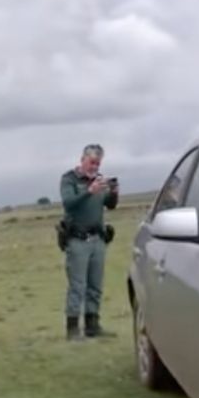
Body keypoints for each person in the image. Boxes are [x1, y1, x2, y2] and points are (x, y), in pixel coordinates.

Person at [59, 144, 119, 340]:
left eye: (98, 163)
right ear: (83, 159)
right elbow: (69, 203)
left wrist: (113, 192)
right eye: (92, 162)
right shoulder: (69, 179)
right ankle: (73, 329)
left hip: (98, 239)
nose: (95, 167)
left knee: (95, 285)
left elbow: (109, 205)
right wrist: (88, 191)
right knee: (77, 285)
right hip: (77, 240)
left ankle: (93, 325)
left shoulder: (99, 181)